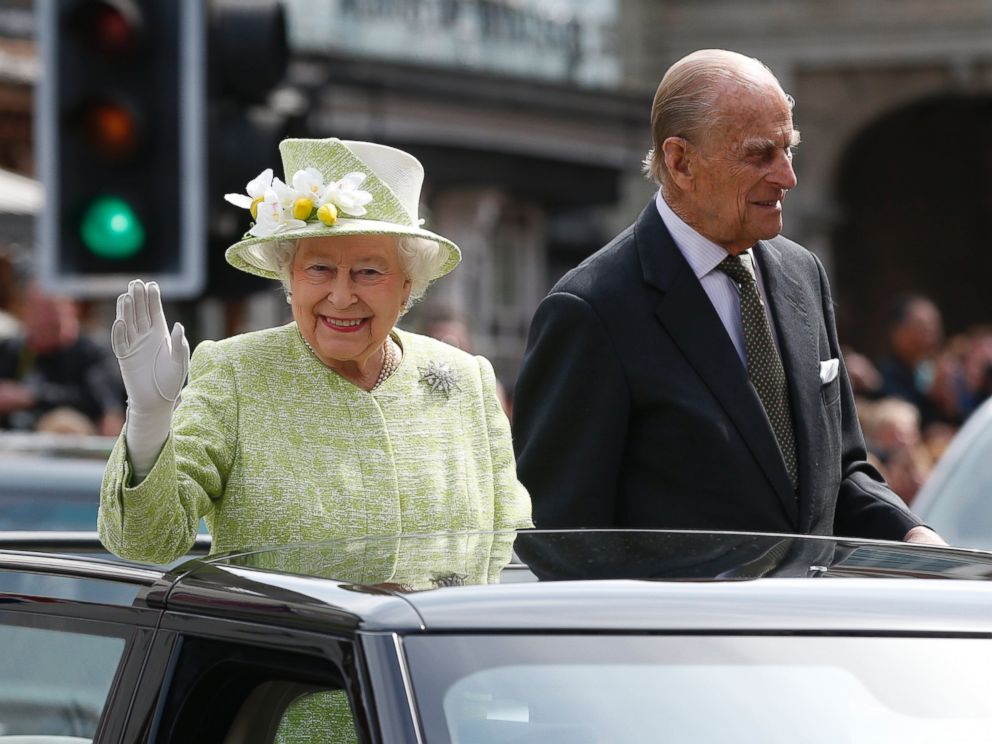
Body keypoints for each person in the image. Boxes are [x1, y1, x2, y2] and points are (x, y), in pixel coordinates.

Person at [512, 49, 941, 545]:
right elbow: (565, 538)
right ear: (680, 161)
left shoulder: (802, 274)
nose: (787, 176)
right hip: (678, 623)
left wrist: (912, 534)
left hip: (810, 619)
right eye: (759, 154)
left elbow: (840, 472)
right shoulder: (592, 309)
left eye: (789, 149)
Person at [99, 137, 532, 567]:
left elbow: (509, 549)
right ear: (290, 279)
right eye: (319, 269)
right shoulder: (237, 373)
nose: (341, 297)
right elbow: (146, 545)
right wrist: (149, 421)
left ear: (406, 286)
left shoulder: (465, 379)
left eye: (368, 272)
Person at [0, 282, 124, 435]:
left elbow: (104, 403)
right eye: (37, 311)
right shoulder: (12, 350)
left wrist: (33, 397)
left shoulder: (90, 351)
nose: (43, 320)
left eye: (49, 311)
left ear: (70, 311)